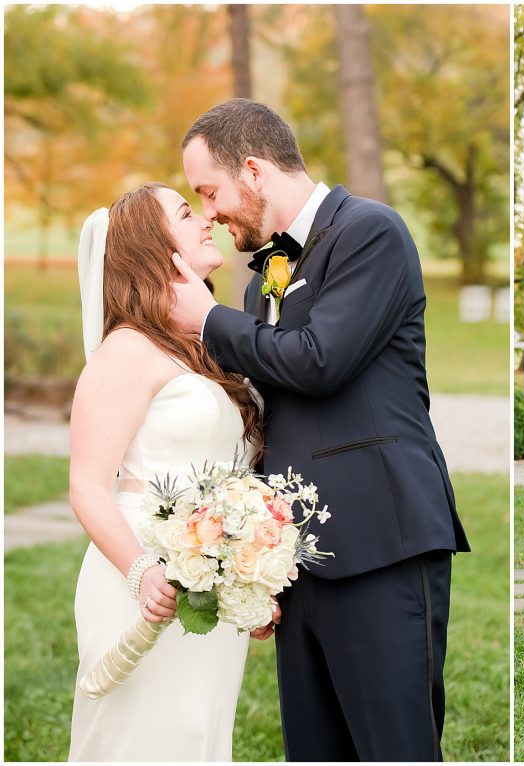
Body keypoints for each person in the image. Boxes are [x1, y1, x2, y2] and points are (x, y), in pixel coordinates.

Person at [167, 98, 470, 761]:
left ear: (253, 170)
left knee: (395, 748)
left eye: (209, 192)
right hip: (295, 561)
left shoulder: (372, 232)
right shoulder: (259, 283)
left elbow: (320, 361)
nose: (210, 212)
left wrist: (209, 321)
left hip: (380, 542)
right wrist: (251, 563)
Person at [68, 183, 262, 760]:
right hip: (142, 582)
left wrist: (251, 578)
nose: (206, 219)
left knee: (196, 737)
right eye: (186, 212)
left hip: (208, 587)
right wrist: (142, 574)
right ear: (156, 246)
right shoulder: (126, 350)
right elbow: (86, 486)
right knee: (143, 741)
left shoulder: (196, 346)